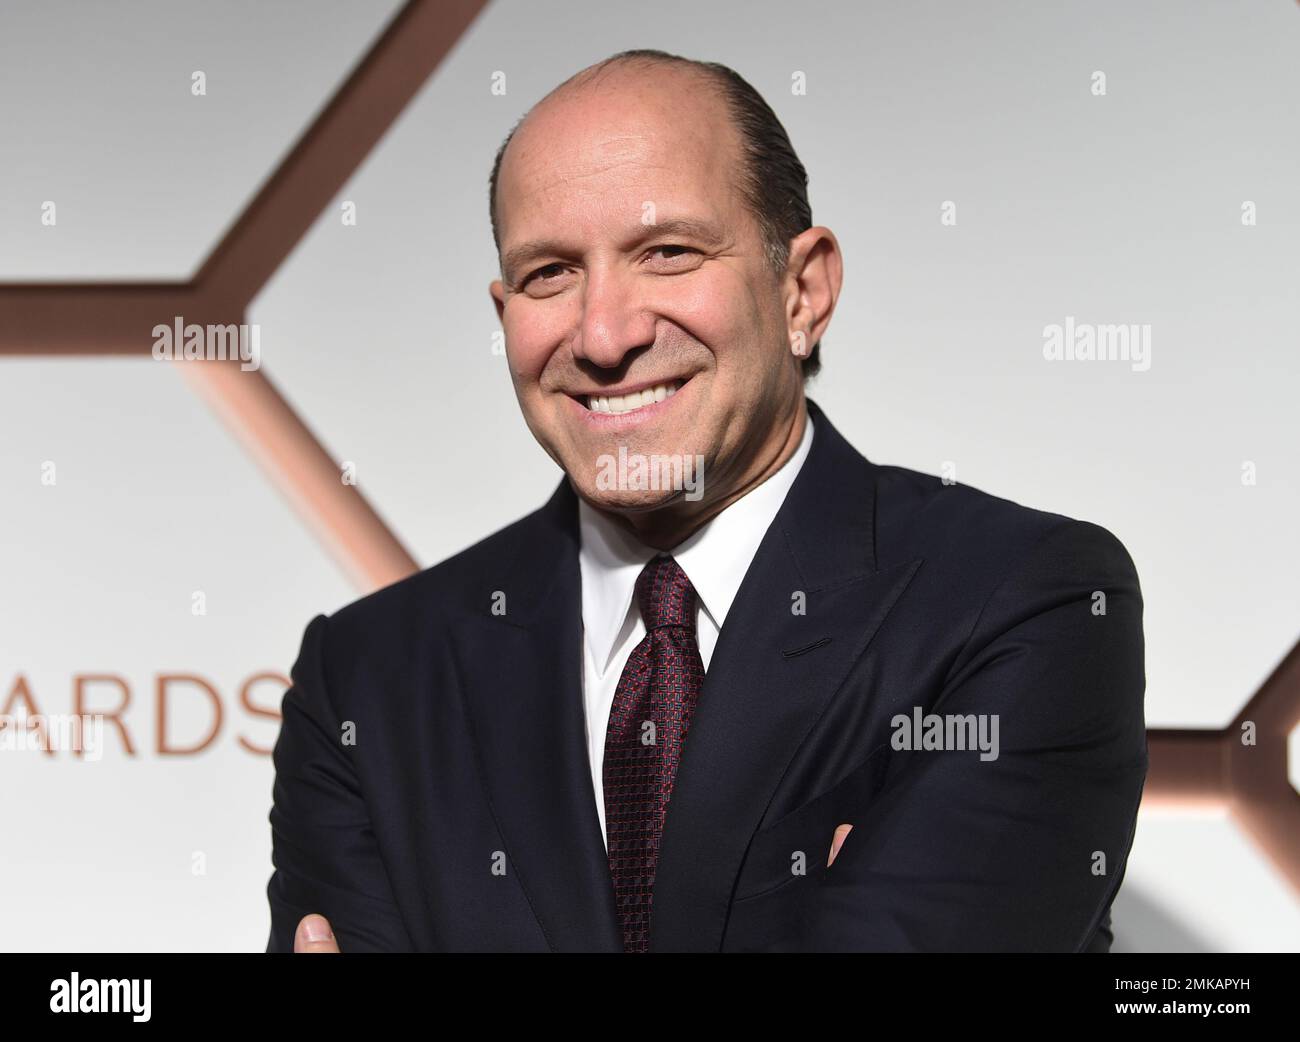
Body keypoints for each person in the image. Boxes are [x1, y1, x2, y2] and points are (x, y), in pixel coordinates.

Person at [266, 49, 1146, 953]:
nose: (604, 335)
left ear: (803, 291)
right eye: (549, 275)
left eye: (668, 253)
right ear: (505, 319)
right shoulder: (365, 679)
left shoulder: (1022, 602)